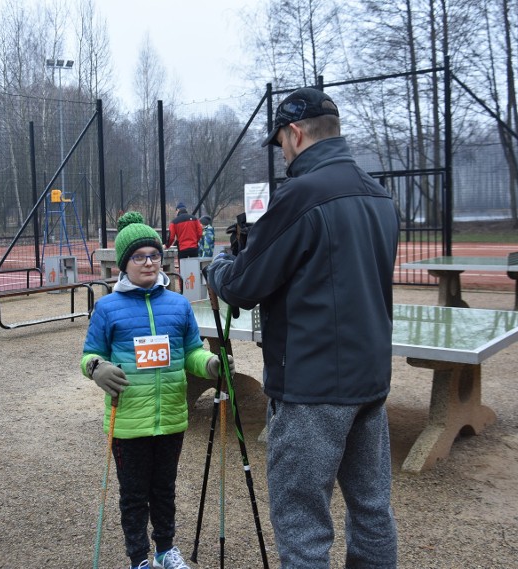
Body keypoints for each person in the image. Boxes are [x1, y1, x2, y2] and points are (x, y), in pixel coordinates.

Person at [205, 87, 400, 568]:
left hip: (312, 387)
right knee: (372, 511)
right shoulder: (378, 195)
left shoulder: (300, 195)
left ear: (294, 133)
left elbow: (244, 286)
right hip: (370, 379)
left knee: (302, 526)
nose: (284, 154)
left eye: (282, 143)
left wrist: (218, 267)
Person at [81, 211, 233, 569]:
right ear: (124, 263)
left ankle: (165, 550)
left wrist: (210, 365)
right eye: (139, 256)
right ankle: (139, 559)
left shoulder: (178, 305)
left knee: (164, 490)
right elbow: (90, 354)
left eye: (153, 255)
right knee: (134, 496)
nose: (148, 263)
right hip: (129, 420)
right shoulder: (106, 308)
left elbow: (192, 352)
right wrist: (96, 368)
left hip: (170, 417)